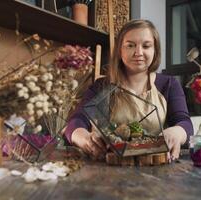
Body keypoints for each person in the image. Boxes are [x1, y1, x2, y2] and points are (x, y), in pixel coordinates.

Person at [64, 19, 193, 162]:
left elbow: (184, 123)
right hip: (109, 169)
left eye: (146, 46)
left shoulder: (169, 84)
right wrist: (82, 137)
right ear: (120, 50)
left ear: (155, 51)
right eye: (130, 45)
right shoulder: (101, 86)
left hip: (155, 168)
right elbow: (76, 121)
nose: (138, 52)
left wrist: (177, 132)